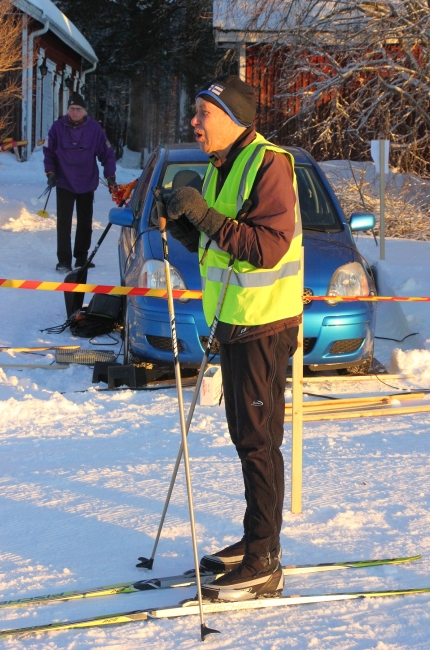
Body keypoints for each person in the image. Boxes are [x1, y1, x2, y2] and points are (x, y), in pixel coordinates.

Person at [153, 75, 303, 602]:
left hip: (265, 323)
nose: (194, 122)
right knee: (246, 438)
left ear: (234, 116)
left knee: (260, 442)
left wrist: (203, 212)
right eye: (194, 113)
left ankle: (265, 559)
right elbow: (220, 245)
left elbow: (266, 248)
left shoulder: (269, 164)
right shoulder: (223, 166)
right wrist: (182, 221)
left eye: (203, 113)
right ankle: (254, 538)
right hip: (235, 321)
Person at [43, 92, 117, 272]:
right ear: (67, 110)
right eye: (71, 109)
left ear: (84, 111)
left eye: (78, 109)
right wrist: (50, 172)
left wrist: (110, 176)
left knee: (85, 223)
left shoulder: (94, 129)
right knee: (64, 224)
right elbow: (48, 151)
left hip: (86, 182)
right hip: (64, 182)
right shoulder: (57, 128)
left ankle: (81, 258)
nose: (74, 112)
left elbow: (107, 153)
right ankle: (64, 261)